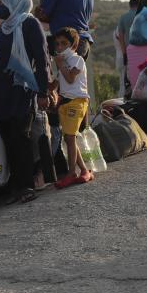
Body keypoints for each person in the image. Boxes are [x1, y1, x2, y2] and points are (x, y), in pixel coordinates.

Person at [0, 0, 52, 205]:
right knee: (8, 140)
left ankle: (26, 185)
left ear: (11, 2)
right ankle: (15, 186)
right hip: (1, 93)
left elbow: (42, 61)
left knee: (21, 138)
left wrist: (43, 92)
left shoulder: (29, 24)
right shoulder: (4, 28)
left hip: (22, 92)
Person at [52, 27, 93, 189]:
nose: (60, 47)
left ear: (73, 45)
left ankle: (71, 173)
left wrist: (60, 64)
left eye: (64, 43)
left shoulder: (77, 60)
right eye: (57, 44)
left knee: (70, 138)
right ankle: (84, 171)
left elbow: (69, 79)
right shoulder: (62, 63)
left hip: (77, 101)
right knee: (69, 139)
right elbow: (56, 83)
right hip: (66, 102)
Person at [115, 0, 140, 95]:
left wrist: (124, 53)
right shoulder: (142, 16)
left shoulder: (123, 17)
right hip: (142, 51)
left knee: (129, 78)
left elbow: (121, 37)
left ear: (130, 5)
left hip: (129, 52)